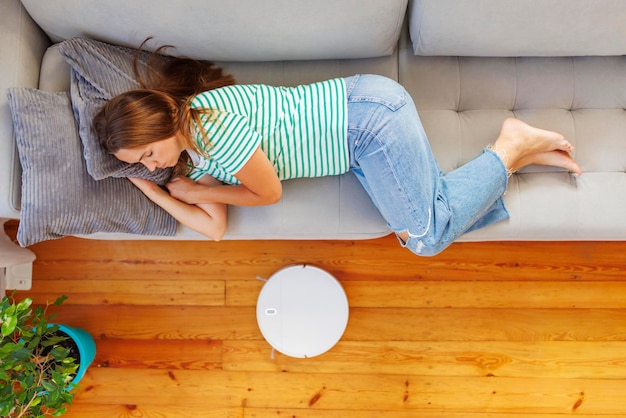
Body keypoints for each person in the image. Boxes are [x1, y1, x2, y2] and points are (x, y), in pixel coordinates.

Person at [93, 52, 581, 256]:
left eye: (148, 154)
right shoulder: (193, 141)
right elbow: (215, 229)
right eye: (139, 163)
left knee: (425, 240)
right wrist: (153, 191)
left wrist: (196, 190)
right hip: (361, 138)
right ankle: (515, 156)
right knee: (424, 226)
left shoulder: (214, 130)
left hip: (369, 122)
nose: (151, 166)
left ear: (164, 123)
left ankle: (510, 147)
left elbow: (268, 194)